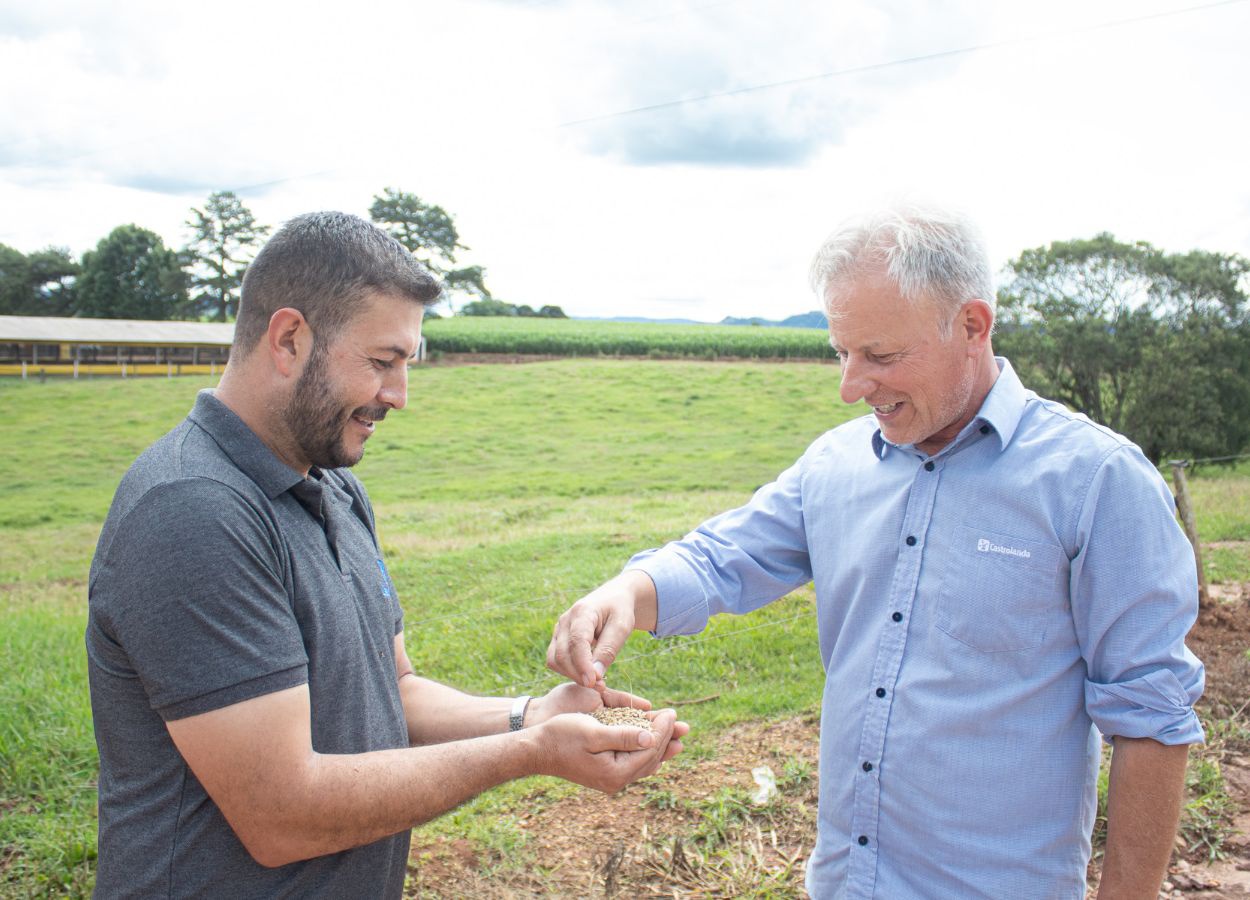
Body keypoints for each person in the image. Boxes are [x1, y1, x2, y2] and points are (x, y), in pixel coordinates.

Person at [547, 204, 1204, 899]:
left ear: (973, 326)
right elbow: (719, 558)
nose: (850, 386)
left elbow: (1152, 716)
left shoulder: (1097, 481)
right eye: (843, 352)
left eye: (882, 356)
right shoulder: (835, 466)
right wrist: (627, 591)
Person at [86, 211, 687, 898]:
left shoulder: (334, 488)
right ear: (288, 339)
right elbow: (283, 814)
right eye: (382, 363)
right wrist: (529, 754)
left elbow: (392, 692)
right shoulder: (193, 512)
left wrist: (532, 716)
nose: (398, 396)